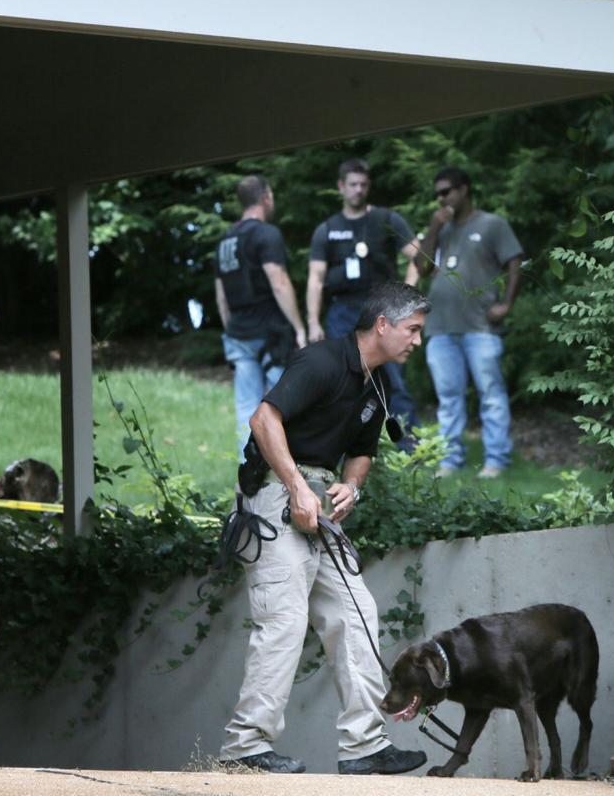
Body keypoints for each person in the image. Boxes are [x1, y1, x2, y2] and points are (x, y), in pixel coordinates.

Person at [218, 282, 432, 776]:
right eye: (413, 330)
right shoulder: (320, 361)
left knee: (356, 612)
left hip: (319, 500)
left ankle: (364, 746)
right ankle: (245, 748)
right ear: (383, 324)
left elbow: (361, 452)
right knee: (285, 619)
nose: (417, 341)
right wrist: (296, 487)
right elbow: (262, 417)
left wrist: (351, 489)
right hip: (276, 493)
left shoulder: (376, 384)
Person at [415, 166, 523, 479]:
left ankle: (496, 461)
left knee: (491, 394)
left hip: (480, 328)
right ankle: (450, 461)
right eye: (437, 193)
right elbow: (422, 267)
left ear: (464, 190)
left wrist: (507, 304)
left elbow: (515, 262)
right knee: (448, 399)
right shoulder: (441, 229)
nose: (441, 198)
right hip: (440, 329)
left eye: (446, 191)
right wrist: (434, 228)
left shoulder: (492, 224)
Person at [306, 159, 420, 428]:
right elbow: (316, 278)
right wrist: (312, 322)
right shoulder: (327, 229)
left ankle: (411, 452)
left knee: (393, 380)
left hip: (383, 309)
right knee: (342, 381)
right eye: (353, 184)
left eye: (363, 185)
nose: (358, 189)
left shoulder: (386, 220)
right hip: (342, 312)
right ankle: (343, 449)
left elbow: (418, 257)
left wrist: (408, 299)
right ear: (341, 186)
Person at [214, 174, 307, 458]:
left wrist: (231, 328)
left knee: (247, 407)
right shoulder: (266, 234)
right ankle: (287, 468)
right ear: (266, 197)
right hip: (271, 335)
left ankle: (249, 471)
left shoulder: (225, 241)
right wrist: (299, 328)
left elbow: (221, 294)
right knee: (282, 405)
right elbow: (278, 281)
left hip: (239, 334)